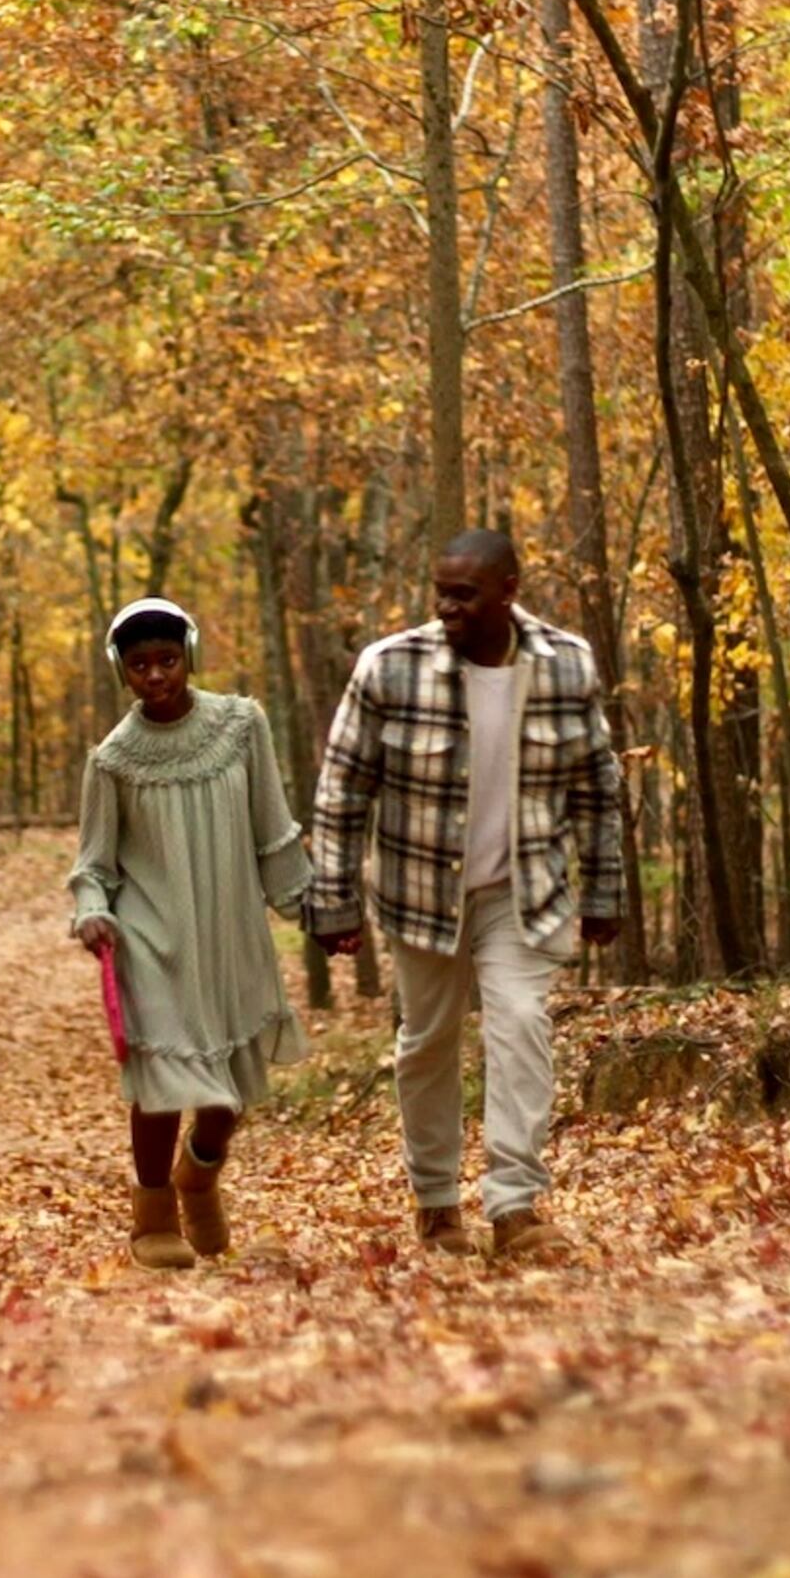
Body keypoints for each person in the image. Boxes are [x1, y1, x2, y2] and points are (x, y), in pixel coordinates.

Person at [307, 530, 627, 1262]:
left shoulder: (565, 665)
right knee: (428, 1043)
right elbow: (342, 790)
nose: (447, 608)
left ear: (508, 590)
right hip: (419, 893)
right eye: (440, 593)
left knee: (520, 1023)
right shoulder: (390, 667)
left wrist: (604, 889)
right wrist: (332, 901)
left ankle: (515, 1206)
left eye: (464, 594)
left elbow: (596, 787)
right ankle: (436, 1203)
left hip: (521, 890)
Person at [67, 597, 311, 1269]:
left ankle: (198, 1176)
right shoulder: (113, 761)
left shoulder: (240, 727)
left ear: (189, 656)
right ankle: (153, 1217)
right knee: (163, 1077)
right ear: (122, 670)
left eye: (167, 661)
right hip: (154, 939)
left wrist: (310, 905)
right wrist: (92, 912)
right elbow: (93, 864)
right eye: (140, 665)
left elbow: (274, 826)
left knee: (231, 1085)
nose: (155, 677)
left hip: (230, 929)